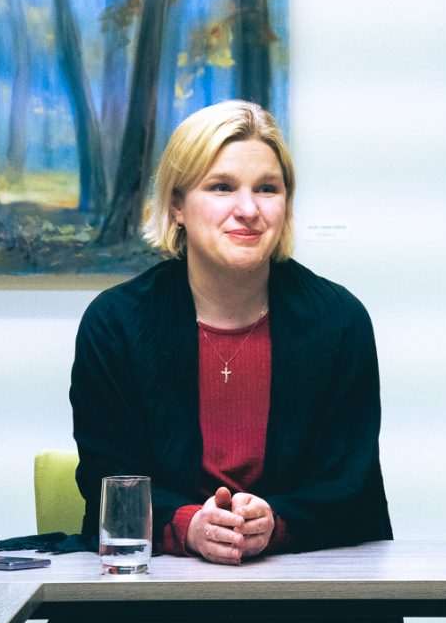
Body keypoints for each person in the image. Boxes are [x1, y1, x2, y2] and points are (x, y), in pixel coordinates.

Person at [70, 100, 392, 565]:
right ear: (177, 205)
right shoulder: (115, 323)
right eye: (221, 187)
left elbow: (349, 486)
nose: (248, 209)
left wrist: (275, 523)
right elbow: (107, 479)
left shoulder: (339, 321)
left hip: (308, 580)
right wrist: (190, 525)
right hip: (159, 584)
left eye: (267, 189)